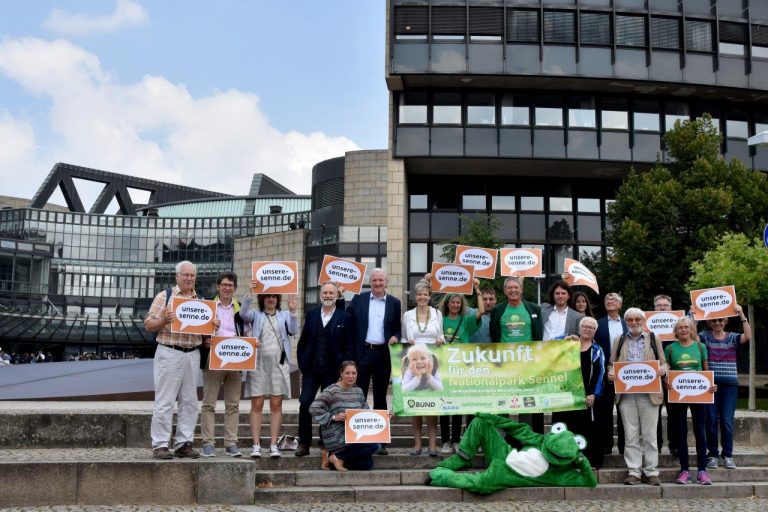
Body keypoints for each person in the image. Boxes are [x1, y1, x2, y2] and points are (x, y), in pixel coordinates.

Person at [144, 260, 203, 460]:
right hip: (169, 351)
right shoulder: (165, 296)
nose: (189, 278)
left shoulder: (201, 301)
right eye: (185, 275)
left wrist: (212, 326)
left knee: (190, 402)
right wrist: (164, 320)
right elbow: (149, 324)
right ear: (177, 276)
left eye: (192, 275)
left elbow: (204, 335)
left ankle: (183, 443)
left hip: (192, 353)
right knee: (165, 400)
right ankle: (160, 444)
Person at [342, 268, 401, 455]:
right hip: (363, 353)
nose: (377, 283)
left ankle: (380, 440)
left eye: (380, 280)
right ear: (370, 282)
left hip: (383, 354)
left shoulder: (395, 303)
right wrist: (340, 298)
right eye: (374, 280)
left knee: (380, 397)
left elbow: (398, 328)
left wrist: (395, 337)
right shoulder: (359, 299)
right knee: (358, 396)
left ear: (387, 282)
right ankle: (357, 438)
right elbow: (346, 319)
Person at [607, 307, 668, 486]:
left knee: (650, 435)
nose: (634, 323)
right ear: (626, 322)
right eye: (630, 320)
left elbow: (664, 362)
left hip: (649, 393)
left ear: (643, 321)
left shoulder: (653, 339)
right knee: (630, 434)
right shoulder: (619, 340)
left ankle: (651, 471)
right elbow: (612, 364)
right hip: (626, 394)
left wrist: (663, 370)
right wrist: (611, 373)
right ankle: (634, 471)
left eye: (637, 319)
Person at [200, 271, 257, 458]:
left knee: (233, 405)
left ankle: (231, 443)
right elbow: (198, 332)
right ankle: (208, 443)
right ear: (218, 286)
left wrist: (251, 345)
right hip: (213, 359)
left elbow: (246, 332)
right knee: (209, 404)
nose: (227, 288)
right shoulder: (208, 306)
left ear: (234, 288)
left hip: (235, 361)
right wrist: (205, 340)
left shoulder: (239, 307)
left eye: (230, 286)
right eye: (224, 285)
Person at [295, 282, 353, 457]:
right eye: (325, 292)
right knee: (305, 403)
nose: (328, 295)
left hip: (332, 371)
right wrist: (302, 363)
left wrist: (343, 370)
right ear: (321, 295)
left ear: (336, 296)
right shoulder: (311, 315)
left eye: (331, 293)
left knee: (328, 408)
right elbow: (303, 342)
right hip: (311, 370)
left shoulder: (344, 317)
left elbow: (348, 346)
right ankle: (304, 443)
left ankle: (325, 444)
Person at [243, 290, 298, 458]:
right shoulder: (256, 315)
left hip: (279, 363)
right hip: (258, 363)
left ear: (277, 299)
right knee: (257, 404)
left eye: (274, 296)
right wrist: (249, 296)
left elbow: (294, 330)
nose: (271, 299)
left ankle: (274, 444)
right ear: (262, 299)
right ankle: (256, 444)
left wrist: (294, 312)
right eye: (267, 296)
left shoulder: (285, 315)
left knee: (276, 404)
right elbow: (243, 314)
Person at [665, 316, 716, 485]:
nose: (684, 330)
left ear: (692, 329)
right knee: (681, 432)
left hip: (698, 394)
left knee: (700, 431)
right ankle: (684, 470)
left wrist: (711, 385)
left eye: (686, 327)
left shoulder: (701, 347)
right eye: (680, 327)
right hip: (678, 395)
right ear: (676, 331)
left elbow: (706, 371)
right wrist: (667, 383)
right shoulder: (670, 349)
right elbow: (667, 372)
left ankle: (702, 470)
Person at [699, 303, 751, 470]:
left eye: (720, 320)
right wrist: (693, 316)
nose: (717, 323)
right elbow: (692, 338)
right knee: (711, 421)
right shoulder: (705, 336)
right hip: (711, 385)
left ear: (726, 321)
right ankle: (712, 454)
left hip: (729, 385)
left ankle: (728, 455)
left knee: (727, 421)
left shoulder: (732, 337)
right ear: (709, 322)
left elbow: (747, 336)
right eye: (714, 320)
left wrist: (741, 314)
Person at [489, 275, 544, 433]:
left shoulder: (534, 309)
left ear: (521, 289)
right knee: (504, 401)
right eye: (510, 288)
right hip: (504, 364)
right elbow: (494, 335)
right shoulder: (497, 310)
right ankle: (503, 437)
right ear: (505, 291)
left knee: (526, 401)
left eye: (516, 287)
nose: (513, 290)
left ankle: (525, 436)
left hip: (527, 364)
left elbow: (538, 335)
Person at [437, 278, 485, 453]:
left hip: (461, 368)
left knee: (457, 405)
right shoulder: (439, 319)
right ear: (447, 304)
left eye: (458, 302)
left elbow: (481, 310)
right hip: (442, 367)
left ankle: (456, 440)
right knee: (444, 406)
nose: (455, 305)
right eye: (453, 302)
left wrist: (477, 289)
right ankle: (444, 441)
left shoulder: (465, 321)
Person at [309, 360, 381, 471]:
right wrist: (333, 417)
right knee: (375, 446)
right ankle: (336, 456)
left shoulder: (358, 391)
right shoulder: (332, 390)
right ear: (341, 374)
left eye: (354, 373)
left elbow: (366, 414)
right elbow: (314, 408)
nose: (351, 376)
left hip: (354, 434)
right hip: (336, 433)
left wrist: (382, 419)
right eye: (347, 373)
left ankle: (334, 458)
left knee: (367, 464)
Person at [553, 316, 605, 468]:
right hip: (565, 396)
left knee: (585, 430)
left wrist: (594, 394)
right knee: (564, 428)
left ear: (595, 331)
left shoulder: (597, 350)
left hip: (585, 397)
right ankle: (562, 461)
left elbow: (600, 374)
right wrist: (564, 339)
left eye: (591, 327)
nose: (588, 329)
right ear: (579, 328)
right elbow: (548, 348)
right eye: (585, 326)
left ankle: (585, 461)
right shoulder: (568, 343)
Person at [401, 279, 443, 456]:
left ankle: (432, 446)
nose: (422, 297)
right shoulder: (408, 315)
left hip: (431, 361)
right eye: (419, 294)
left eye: (425, 294)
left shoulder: (437, 314)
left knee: (432, 408)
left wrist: (441, 340)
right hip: (413, 362)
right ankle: (417, 445)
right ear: (415, 296)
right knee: (415, 408)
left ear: (430, 296)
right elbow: (403, 339)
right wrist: (406, 341)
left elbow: (440, 334)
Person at [594, 292, 628, 455]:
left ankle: (623, 446)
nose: (610, 301)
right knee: (604, 410)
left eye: (614, 299)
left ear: (620, 305)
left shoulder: (628, 323)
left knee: (625, 411)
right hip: (605, 373)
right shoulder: (598, 324)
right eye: (607, 299)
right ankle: (606, 446)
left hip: (627, 374)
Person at [652, 293, 678, 457]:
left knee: (674, 410)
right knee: (654, 410)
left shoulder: (678, 325)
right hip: (654, 373)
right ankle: (657, 444)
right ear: (654, 309)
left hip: (674, 374)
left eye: (665, 305)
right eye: (659, 305)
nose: (662, 308)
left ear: (671, 308)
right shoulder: (648, 326)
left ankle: (674, 445)